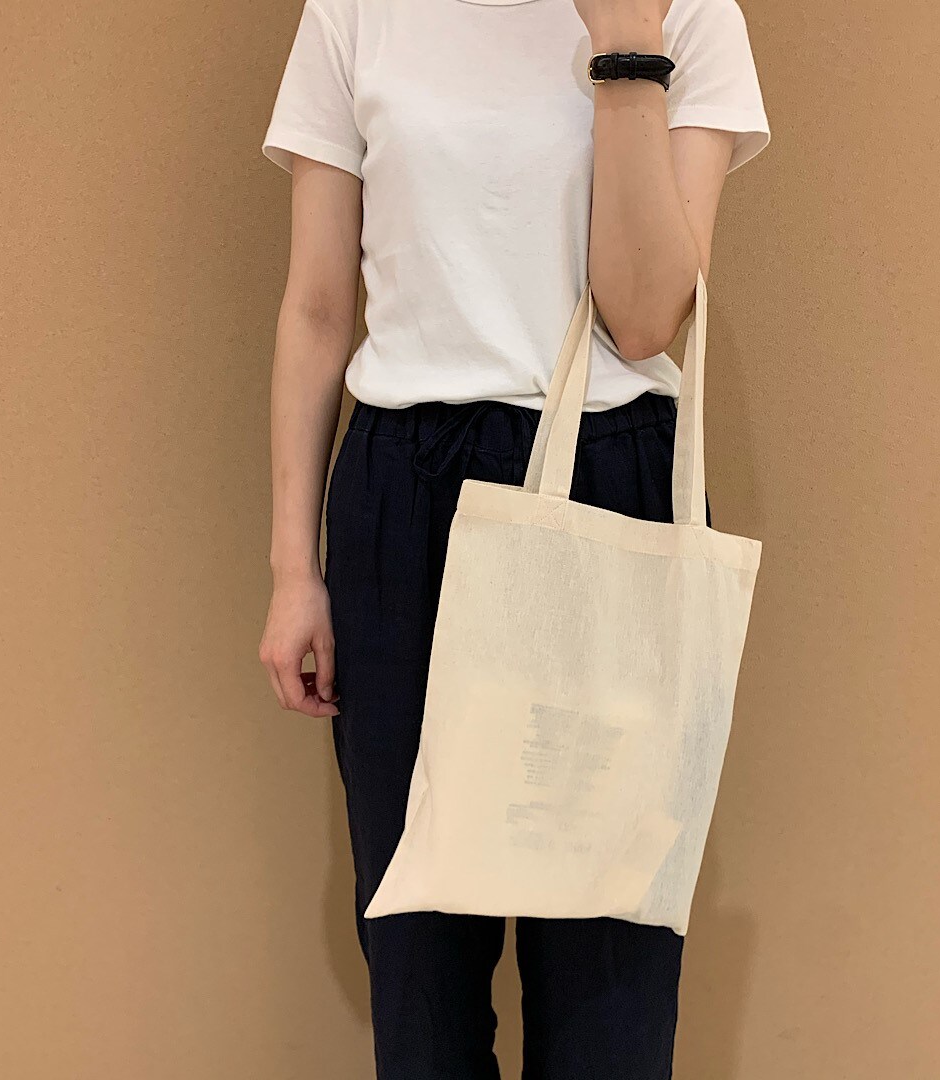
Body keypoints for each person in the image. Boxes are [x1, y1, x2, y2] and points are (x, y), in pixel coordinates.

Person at [257, 1, 770, 1076]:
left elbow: (645, 317)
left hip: (609, 490)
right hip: (405, 495)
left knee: (611, 976)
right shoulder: (358, 11)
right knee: (420, 975)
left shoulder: (685, 14)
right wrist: (293, 568)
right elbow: (316, 307)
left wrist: (626, 47)